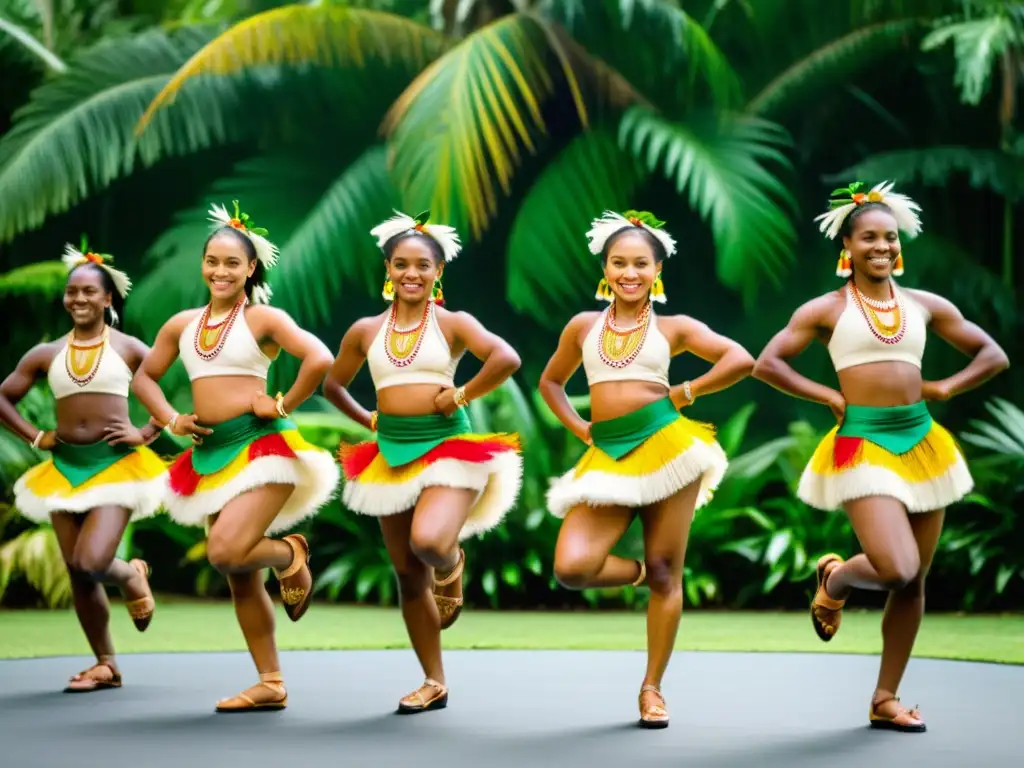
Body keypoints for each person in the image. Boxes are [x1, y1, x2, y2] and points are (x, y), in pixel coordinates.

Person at [752, 181, 1010, 733]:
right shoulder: (825, 310)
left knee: (914, 583)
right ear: (847, 245)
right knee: (897, 568)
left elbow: (993, 355)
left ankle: (885, 698)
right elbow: (768, 363)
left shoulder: (924, 306)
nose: (882, 246)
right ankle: (837, 581)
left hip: (922, 443)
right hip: (861, 443)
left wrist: (944, 389)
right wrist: (826, 395)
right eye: (869, 237)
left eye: (889, 237)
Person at [539, 210, 755, 729]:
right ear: (605, 268)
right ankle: (644, 577)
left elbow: (739, 358)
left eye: (640, 263)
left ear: (658, 269)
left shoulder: (674, 327)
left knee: (668, 571)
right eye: (618, 263)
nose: (629, 273)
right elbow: (551, 383)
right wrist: (581, 428)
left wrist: (684, 393)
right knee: (572, 567)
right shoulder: (582, 327)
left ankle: (652, 688)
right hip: (608, 454)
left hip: (668, 447)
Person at [130, 201, 340, 712]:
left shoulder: (263, 318)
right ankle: (270, 682)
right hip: (211, 455)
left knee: (225, 551)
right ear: (203, 265)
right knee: (239, 573)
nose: (220, 271)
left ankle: (290, 553)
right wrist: (173, 419)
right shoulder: (181, 324)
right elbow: (143, 378)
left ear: (250, 269)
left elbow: (320, 358)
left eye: (231, 263)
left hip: (264, 447)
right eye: (212, 261)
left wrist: (284, 402)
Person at [324, 210, 522, 714]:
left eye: (422, 266)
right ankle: (433, 680)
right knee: (407, 573)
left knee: (430, 543)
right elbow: (333, 384)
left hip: (448, 448)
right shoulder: (365, 330)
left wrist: (460, 394)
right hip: (390, 452)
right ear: (387, 269)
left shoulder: (453, 323)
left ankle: (453, 562)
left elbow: (505, 358)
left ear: (438, 272)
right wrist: (367, 417)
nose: (411, 273)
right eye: (401, 264)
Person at [1, 241, 164, 693]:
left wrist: (147, 432)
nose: (79, 299)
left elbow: (164, 388)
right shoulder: (46, 353)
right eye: (72, 292)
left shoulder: (130, 348)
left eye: (89, 292)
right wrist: (35, 436)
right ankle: (105, 663)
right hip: (64, 468)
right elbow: (2, 396)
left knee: (92, 560)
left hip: (115, 466)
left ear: (108, 298)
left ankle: (131, 574)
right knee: (77, 570)